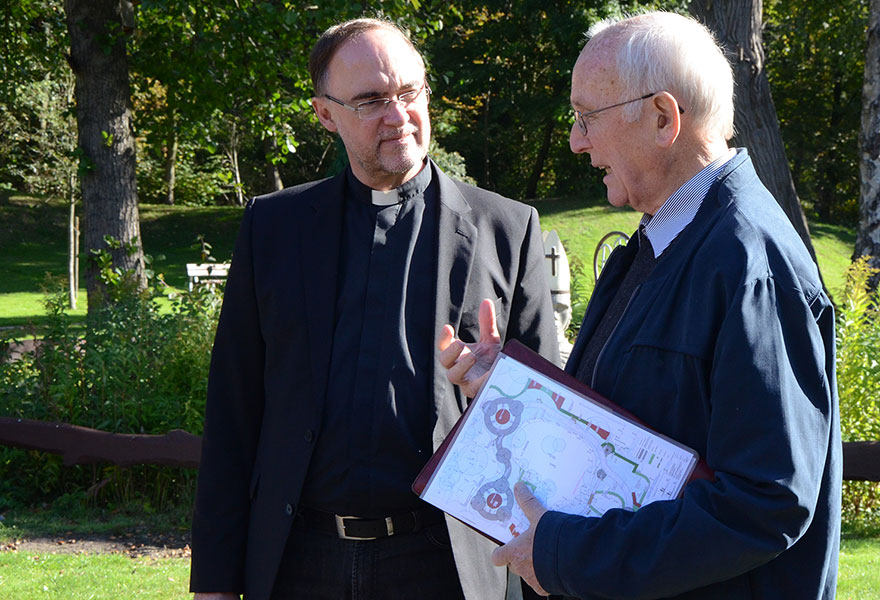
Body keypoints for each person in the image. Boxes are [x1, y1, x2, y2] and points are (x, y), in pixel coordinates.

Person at [440, 11, 840, 600]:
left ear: (662, 118)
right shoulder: (663, 240)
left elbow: (766, 501)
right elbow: (633, 429)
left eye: (586, 119)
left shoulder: (749, 263)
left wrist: (565, 554)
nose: (577, 141)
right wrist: (517, 392)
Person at [189, 17, 559, 600]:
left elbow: (548, 428)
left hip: (446, 563)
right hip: (298, 559)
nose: (398, 115)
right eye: (370, 101)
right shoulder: (274, 229)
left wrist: (500, 394)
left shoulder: (507, 229)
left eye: (409, 93)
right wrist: (214, 581)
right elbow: (233, 413)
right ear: (325, 114)